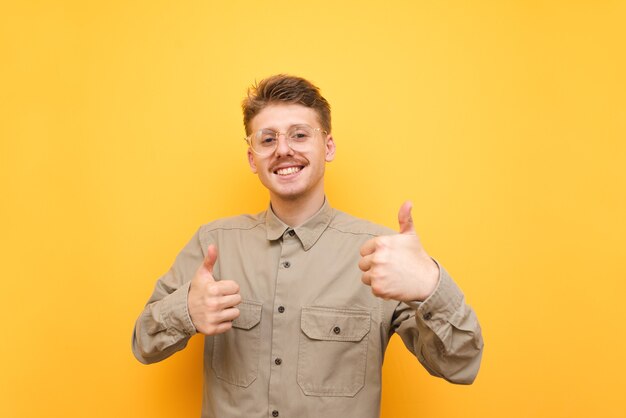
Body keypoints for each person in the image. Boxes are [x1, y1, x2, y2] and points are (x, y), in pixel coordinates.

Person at [132, 74, 484, 418]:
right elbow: (143, 345)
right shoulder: (214, 244)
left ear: (327, 146)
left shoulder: (382, 255)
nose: (283, 149)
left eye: (299, 135)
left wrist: (431, 286)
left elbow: (461, 364)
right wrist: (187, 311)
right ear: (253, 158)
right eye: (267, 140)